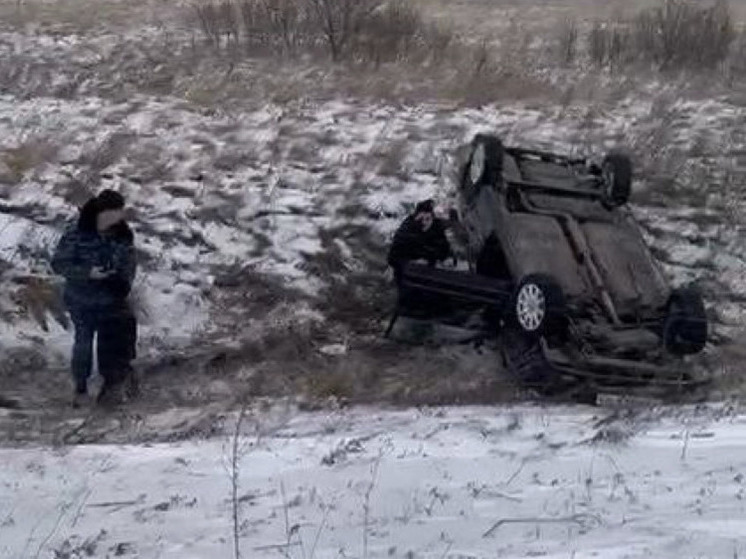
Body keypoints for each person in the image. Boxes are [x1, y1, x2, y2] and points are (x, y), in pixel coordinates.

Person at [51, 190, 138, 407]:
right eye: (115, 212)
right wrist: (87, 273)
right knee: (83, 343)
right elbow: (59, 263)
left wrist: (122, 283)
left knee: (115, 343)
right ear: (103, 212)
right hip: (81, 299)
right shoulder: (77, 232)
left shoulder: (122, 234)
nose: (119, 217)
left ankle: (114, 386)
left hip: (110, 298)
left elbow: (129, 263)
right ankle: (80, 388)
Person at [387, 199, 451, 284]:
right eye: (420, 219)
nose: (424, 223)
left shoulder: (437, 227)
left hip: (427, 264)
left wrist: (430, 258)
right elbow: (394, 254)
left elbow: (444, 249)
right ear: (415, 217)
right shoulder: (406, 230)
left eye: (427, 219)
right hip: (407, 264)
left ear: (432, 218)